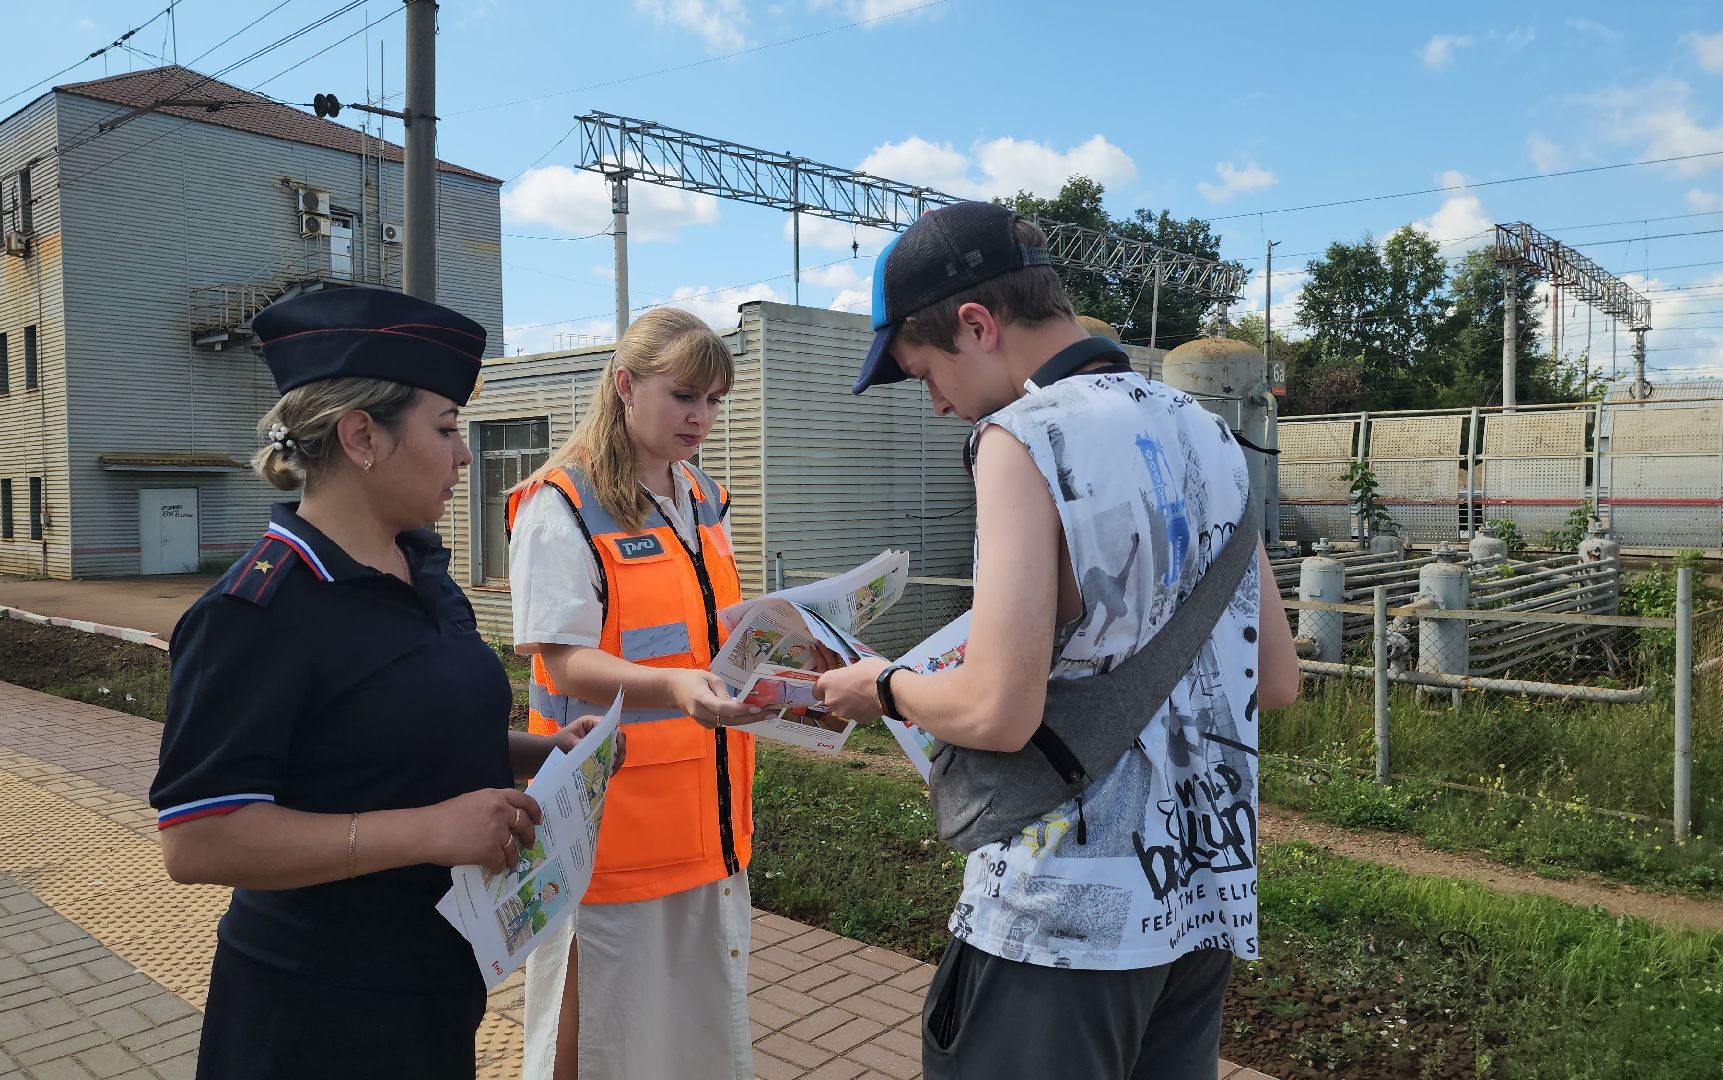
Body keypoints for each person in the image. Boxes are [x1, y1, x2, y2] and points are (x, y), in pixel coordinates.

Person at [815, 202, 1300, 1080]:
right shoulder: (1214, 437)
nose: (934, 403)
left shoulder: (1020, 438)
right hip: (1197, 906)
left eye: (925, 372)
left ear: (976, 323)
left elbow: (998, 710)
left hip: (1059, 925)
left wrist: (880, 687)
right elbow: (1274, 679)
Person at [150, 287, 617, 1080]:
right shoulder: (257, 610)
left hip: (434, 988)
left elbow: (388, 738)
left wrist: (539, 752)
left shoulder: (424, 569)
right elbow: (199, 837)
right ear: (362, 436)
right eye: (446, 429)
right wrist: (432, 830)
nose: (465, 455)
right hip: (316, 1014)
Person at [506, 307, 766, 1080]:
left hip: (708, 824)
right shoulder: (561, 504)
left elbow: (704, 628)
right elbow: (565, 664)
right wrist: (678, 685)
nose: (701, 417)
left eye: (715, 400)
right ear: (624, 384)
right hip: (609, 830)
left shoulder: (697, 494)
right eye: (685, 394)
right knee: (596, 1044)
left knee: (693, 1041)